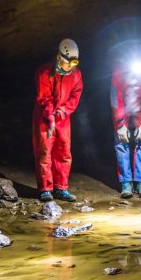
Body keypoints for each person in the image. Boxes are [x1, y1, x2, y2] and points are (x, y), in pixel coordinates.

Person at [33, 38, 83, 201]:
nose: (69, 67)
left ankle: (61, 187)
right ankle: (45, 188)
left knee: (64, 152)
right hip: (44, 118)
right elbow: (44, 97)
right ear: (59, 57)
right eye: (67, 63)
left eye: (72, 64)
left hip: (63, 118)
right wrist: (50, 115)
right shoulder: (44, 72)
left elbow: (75, 95)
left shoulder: (75, 74)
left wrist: (62, 111)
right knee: (44, 152)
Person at [110, 49, 141, 198]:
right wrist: (120, 124)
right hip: (122, 107)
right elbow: (115, 97)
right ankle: (126, 182)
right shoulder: (119, 69)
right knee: (121, 141)